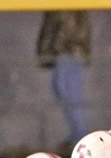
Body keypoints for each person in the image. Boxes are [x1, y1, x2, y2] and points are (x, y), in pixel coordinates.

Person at [37, 11, 91, 149]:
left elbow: (68, 28)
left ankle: (81, 138)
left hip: (69, 53)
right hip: (64, 53)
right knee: (63, 92)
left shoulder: (70, 9)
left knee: (70, 94)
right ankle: (78, 135)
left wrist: (55, 48)